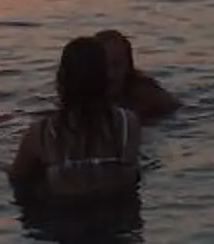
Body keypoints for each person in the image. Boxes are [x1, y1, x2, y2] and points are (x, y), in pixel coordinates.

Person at [10, 36, 142, 200]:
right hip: (120, 219)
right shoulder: (128, 125)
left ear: (61, 80)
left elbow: (16, 180)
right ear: (105, 79)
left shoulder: (41, 135)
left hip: (61, 219)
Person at [94, 28, 180, 120]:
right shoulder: (82, 94)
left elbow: (177, 111)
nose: (109, 73)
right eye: (103, 65)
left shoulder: (147, 94)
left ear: (128, 66)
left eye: (116, 65)